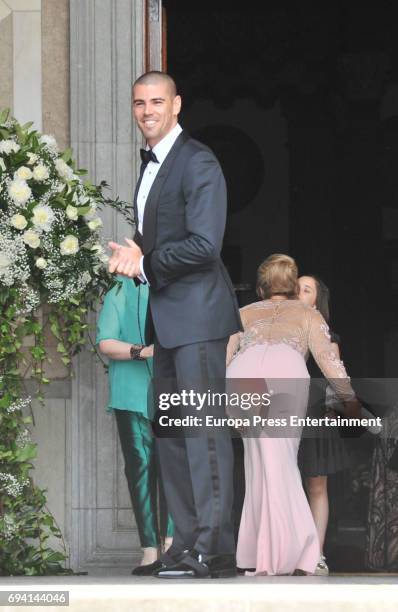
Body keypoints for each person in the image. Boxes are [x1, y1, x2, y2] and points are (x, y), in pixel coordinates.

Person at [107, 71, 242, 579]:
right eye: (139, 102)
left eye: (157, 101)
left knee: (204, 434)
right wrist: (135, 249)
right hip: (164, 320)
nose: (147, 111)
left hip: (199, 319)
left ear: (177, 104)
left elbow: (205, 245)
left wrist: (145, 264)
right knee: (173, 435)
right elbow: (160, 235)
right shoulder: (151, 166)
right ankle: (185, 546)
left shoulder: (198, 160)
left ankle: (216, 549)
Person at [226, 254, 361, 576]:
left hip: (243, 376)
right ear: (291, 284)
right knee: (282, 465)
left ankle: (258, 554)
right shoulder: (308, 314)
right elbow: (330, 361)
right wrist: (349, 398)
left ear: (261, 288)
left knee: (256, 466)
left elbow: (226, 354)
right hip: (284, 372)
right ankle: (295, 551)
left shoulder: (242, 313)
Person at [96, 276, 173, 574]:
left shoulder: (177, 282)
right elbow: (106, 341)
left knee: (175, 469)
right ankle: (150, 550)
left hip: (174, 391)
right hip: (132, 391)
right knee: (140, 471)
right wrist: (144, 351)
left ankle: (172, 544)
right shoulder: (121, 287)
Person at [297, 275, 350, 576]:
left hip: (315, 413)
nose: (299, 293)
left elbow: (336, 377)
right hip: (284, 412)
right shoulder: (278, 332)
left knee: (316, 485)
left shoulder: (328, 335)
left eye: (306, 290)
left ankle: (317, 553)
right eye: (295, 288)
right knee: (286, 483)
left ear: (316, 299)